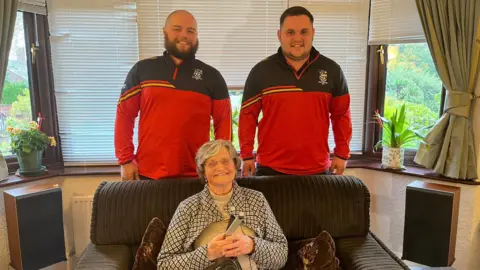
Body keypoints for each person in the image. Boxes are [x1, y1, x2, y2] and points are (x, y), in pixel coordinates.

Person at [114, 10, 232, 180]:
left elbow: (223, 122)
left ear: (196, 36)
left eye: (190, 31)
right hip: (148, 174)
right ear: (164, 31)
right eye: (177, 29)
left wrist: (218, 163)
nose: (184, 35)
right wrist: (125, 160)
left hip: (196, 175)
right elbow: (125, 115)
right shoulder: (142, 70)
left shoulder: (212, 76)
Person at [238, 6, 352, 177]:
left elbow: (341, 115)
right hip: (270, 169)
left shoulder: (332, 70)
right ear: (279, 35)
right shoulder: (261, 71)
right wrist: (246, 155)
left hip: (318, 170)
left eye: (303, 32)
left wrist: (342, 154)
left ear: (313, 33)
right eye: (290, 32)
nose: (297, 38)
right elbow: (248, 116)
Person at [157, 140, 288, 269]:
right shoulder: (188, 208)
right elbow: (165, 264)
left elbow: (281, 254)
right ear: (204, 172)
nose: (220, 167)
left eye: (225, 161)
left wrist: (253, 246)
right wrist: (207, 253)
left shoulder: (256, 199)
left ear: (235, 165)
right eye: (212, 163)